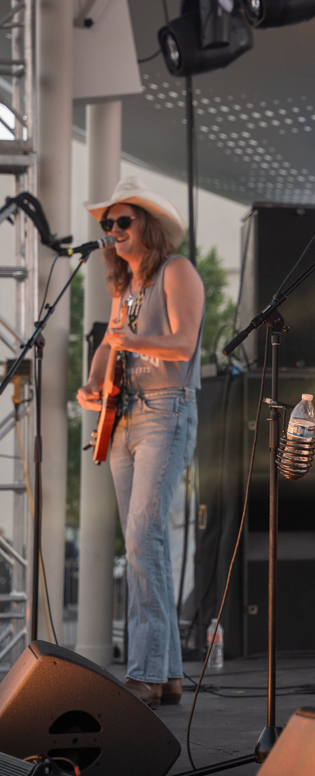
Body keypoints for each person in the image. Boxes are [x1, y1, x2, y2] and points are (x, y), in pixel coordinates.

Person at [77, 177, 205, 709]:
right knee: (144, 542)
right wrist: (92, 383)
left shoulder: (176, 271)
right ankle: (168, 674)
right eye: (107, 224)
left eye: (122, 221)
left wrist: (132, 340)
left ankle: (146, 673)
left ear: (146, 226)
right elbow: (108, 346)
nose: (112, 230)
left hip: (166, 410)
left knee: (142, 536)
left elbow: (184, 344)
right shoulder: (125, 287)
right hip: (124, 417)